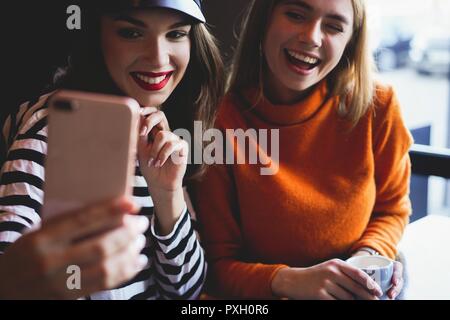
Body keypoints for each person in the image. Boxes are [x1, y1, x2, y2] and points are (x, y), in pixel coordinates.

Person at [0, 0, 224, 299]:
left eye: (175, 34)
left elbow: (187, 293)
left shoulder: (162, 130)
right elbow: (11, 271)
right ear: (96, 35)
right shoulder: (53, 128)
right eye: (131, 33)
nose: (158, 59)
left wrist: (167, 195)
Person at [191, 0, 410, 300]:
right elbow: (217, 267)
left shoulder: (379, 107)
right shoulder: (218, 124)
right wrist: (288, 280)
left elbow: (392, 208)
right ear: (264, 21)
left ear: (350, 41)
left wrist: (368, 261)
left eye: (333, 26)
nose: (312, 37)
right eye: (295, 15)